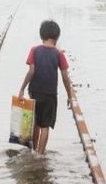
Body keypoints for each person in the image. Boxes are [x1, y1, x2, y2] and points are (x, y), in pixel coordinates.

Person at [17, 20, 75, 154]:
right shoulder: (59, 54)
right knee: (45, 126)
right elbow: (65, 76)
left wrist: (22, 89)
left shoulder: (34, 50)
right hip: (50, 94)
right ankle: (40, 155)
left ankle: (34, 150)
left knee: (36, 123)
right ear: (57, 37)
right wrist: (70, 96)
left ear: (41, 35)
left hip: (35, 91)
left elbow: (31, 71)